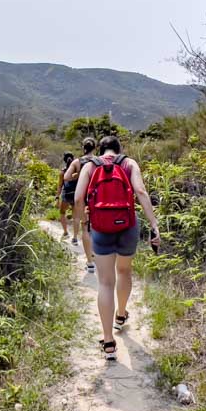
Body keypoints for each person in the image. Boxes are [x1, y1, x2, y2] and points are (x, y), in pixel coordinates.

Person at [73, 135, 160, 360]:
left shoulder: (90, 166)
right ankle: (121, 315)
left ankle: (108, 343)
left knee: (105, 282)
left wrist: (84, 221)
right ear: (119, 149)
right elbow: (141, 192)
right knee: (124, 271)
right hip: (127, 226)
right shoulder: (129, 163)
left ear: (101, 150)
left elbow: (78, 198)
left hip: (101, 228)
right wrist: (154, 224)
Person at [61, 137, 98, 270]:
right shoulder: (98, 161)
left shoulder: (77, 161)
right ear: (95, 148)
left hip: (81, 197)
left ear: (83, 148)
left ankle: (89, 262)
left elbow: (66, 177)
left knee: (85, 225)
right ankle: (96, 253)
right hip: (97, 196)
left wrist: (77, 175)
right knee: (97, 226)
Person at [56, 152, 76, 238]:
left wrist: (57, 197)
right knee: (76, 216)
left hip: (66, 195)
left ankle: (65, 233)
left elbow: (60, 186)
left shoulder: (63, 172)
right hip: (75, 194)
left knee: (62, 213)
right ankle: (75, 237)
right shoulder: (77, 171)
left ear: (64, 160)